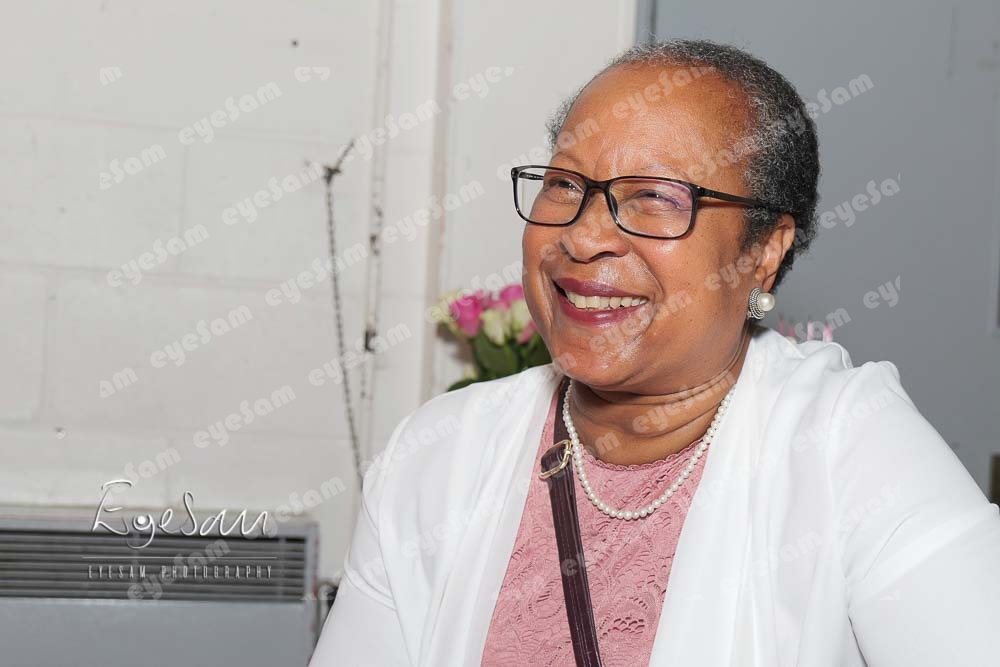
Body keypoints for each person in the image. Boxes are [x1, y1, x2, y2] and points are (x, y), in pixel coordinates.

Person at [308, 39, 1000, 666]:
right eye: (565, 184)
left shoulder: (848, 448)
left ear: (764, 251)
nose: (583, 237)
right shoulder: (437, 458)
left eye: (655, 198)